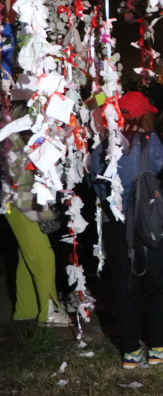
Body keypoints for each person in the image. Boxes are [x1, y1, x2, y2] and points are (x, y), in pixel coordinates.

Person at [90, 91, 163, 369]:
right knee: (159, 287)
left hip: (117, 227)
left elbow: (98, 188)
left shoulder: (101, 149)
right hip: (151, 224)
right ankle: (158, 347)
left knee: (124, 288)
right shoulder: (153, 145)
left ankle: (131, 352)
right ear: (145, 116)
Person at [3, 102, 70, 327]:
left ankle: (27, 308)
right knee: (43, 256)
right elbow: (19, 177)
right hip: (20, 204)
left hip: (18, 203)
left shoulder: (14, 137)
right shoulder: (11, 138)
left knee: (28, 254)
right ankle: (49, 311)